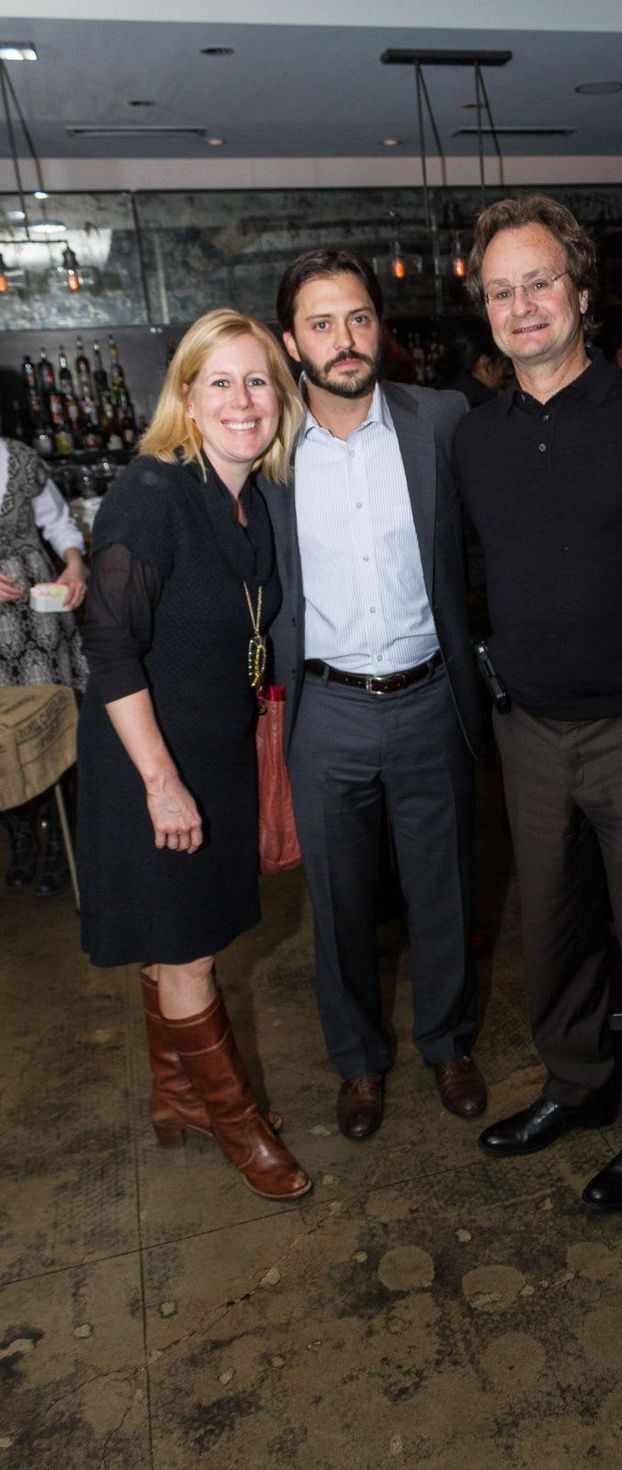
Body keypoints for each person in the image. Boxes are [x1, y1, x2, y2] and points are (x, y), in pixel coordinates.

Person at [454, 193, 622, 1211]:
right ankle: (576, 1086)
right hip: (526, 728)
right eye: (500, 291)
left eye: (538, 283)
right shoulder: (473, 440)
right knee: (551, 930)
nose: (521, 307)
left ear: (579, 290)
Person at [77, 308, 311, 1201]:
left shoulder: (249, 496)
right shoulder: (153, 490)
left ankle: (177, 1095)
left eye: (259, 381)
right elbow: (108, 647)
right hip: (151, 759)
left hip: (211, 749)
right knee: (192, 954)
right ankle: (237, 1122)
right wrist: (162, 783)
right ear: (186, 395)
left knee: (180, 939)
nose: (243, 400)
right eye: (221, 381)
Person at [267, 247, 486, 1141]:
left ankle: (448, 1043)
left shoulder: (441, 419)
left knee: (447, 892)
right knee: (341, 903)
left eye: (357, 318)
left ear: (379, 328)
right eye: (321, 323)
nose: (344, 339)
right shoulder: (270, 446)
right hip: (327, 711)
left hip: (432, 694)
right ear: (292, 341)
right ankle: (358, 1065)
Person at [1, 438, 88, 895]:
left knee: (48, 725)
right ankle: (20, 840)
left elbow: (56, 522)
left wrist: (74, 565)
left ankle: (57, 840)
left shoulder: (19, 458)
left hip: (38, 619)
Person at [438, 318, 507, 407]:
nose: (502, 375)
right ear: (485, 361)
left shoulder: (439, 393)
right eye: (501, 363)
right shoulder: (487, 403)